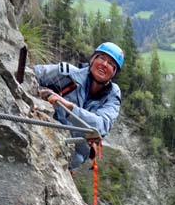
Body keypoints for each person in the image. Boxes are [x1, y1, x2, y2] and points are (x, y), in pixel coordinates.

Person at [34, 42, 124, 170]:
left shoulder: (111, 96)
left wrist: (70, 108)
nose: (104, 64)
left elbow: (102, 125)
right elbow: (34, 74)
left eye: (111, 64)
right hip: (45, 135)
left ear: (113, 73)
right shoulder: (67, 74)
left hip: (72, 157)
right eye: (102, 58)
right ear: (92, 60)